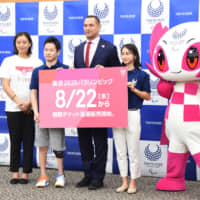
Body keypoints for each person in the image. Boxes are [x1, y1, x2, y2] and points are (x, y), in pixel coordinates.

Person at [73, 15, 121, 190]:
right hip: (81, 103)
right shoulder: (78, 49)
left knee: (99, 141)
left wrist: (106, 71)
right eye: (85, 25)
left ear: (99, 27)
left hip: (100, 103)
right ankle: (87, 174)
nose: (87, 28)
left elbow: (117, 74)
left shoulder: (109, 48)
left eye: (91, 25)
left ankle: (98, 177)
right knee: (83, 140)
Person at [0, 32, 43, 184]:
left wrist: (29, 103)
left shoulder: (37, 62)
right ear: (15, 44)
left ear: (30, 44)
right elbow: (5, 85)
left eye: (25, 42)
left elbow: (39, 86)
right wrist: (19, 102)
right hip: (13, 107)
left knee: (29, 139)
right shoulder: (8, 61)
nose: (22, 45)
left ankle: (25, 173)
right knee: (15, 140)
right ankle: (14, 173)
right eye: (19, 42)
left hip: (31, 107)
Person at [30, 36, 68, 188]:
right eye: (46, 50)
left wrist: (64, 75)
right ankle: (43, 175)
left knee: (58, 145)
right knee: (42, 145)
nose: (48, 53)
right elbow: (33, 93)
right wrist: (36, 111)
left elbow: (74, 88)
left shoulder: (64, 69)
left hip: (58, 114)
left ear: (58, 51)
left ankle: (60, 175)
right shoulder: (37, 71)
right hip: (41, 114)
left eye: (51, 50)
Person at [113, 43, 151, 194]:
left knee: (133, 150)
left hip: (133, 112)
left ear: (135, 55)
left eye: (128, 53)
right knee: (120, 150)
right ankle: (124, 181)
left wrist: (133, 89)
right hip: (117, 113)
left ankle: (133, 182)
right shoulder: (117, 73)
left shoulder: (142, 75)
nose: (125, 56)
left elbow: (147, 96)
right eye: (122, 53)